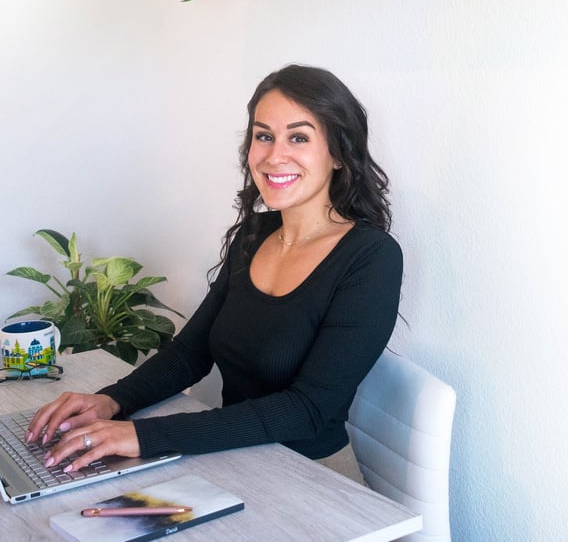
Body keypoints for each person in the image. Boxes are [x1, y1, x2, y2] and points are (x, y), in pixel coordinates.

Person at [26, 65, 403, 484]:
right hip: (233, 461)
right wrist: (111, 402)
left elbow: (308, 409)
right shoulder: (254, 235)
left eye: (299, 137)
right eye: (264, 136)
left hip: (313, 478)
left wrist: (143, 435)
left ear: (337, 153)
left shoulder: (371, 258)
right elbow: (191, 353)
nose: (274, 155)